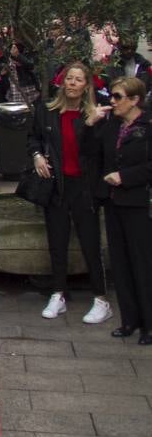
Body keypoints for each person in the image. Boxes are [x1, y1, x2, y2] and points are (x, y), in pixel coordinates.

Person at [30, 61, 112, 324]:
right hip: (56, 186)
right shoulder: (47, 110)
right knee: (57, 242)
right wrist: (37, 156)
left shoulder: (97, 115)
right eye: (69, 79)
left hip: (84, 188)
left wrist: (90, 124)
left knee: (90, 243)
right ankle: (58, 293)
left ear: (86, 85)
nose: (72, 84)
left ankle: (100, 298)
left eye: (78, 80)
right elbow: (33, 137)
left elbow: (96, 153)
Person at [92, 76, 152, 344]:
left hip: (139, 202)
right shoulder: (112, 125)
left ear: (134, 100)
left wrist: (126, 176)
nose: (112, 102)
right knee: (121, 263)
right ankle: (129, 320)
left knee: (142, 263)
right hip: (114, 202)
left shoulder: (147, 126)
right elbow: (91, 153)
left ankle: (149, 324)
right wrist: (91, 123)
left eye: (117, 97)